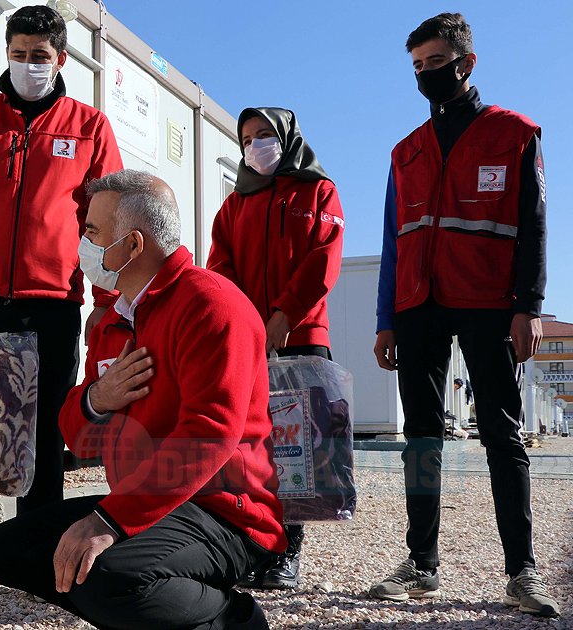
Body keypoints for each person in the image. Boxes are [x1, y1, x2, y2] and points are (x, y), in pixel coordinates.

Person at [0, 170, 284, 630]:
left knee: (104, 573)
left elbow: (210, 435)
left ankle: (234, 620)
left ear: (134, 245)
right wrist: (97, 399)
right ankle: (147, 612)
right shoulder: (112, 323)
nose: (82, 243)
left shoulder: (212, 306)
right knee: (8, 549)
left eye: (92, 232)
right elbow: (78, 439)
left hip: (225, 513)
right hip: (147, 500)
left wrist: (110, 521)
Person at [0, 4, 123, 604]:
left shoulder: (89, 127)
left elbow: (108, 222)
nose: (29, 64)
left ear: (60, 60)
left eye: (41, 55)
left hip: (53, 306)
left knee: (40, 439)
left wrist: (107, 303)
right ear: (5, 53)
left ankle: (38, 562)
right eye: (19, 53)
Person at [371, 13, 559, 618]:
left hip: (488, 303)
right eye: (417, 67)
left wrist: (528, 307)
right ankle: (421, 564)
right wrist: (386, 319)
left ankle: (521, 572)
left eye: (435, 62)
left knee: (502, 435)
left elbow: (533, 225)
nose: (426, 74)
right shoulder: (406, 153)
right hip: (418, 304)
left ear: (466, 63)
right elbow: (394, 242)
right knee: (421, 437)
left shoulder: (514, 134)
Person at [207, 107, 344, 590]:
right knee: (252, 451)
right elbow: (219, 268)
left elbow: (323, 260)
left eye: (265, 135)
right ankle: (255, 544)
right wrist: (244, 325)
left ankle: (288, 551)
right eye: (247, 138)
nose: (256, 144)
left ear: (287, 138)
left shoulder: (318, 192)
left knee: (296, 453)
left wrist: (285, 315)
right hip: (248, 345)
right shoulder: (234, 206)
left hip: (301, 339)